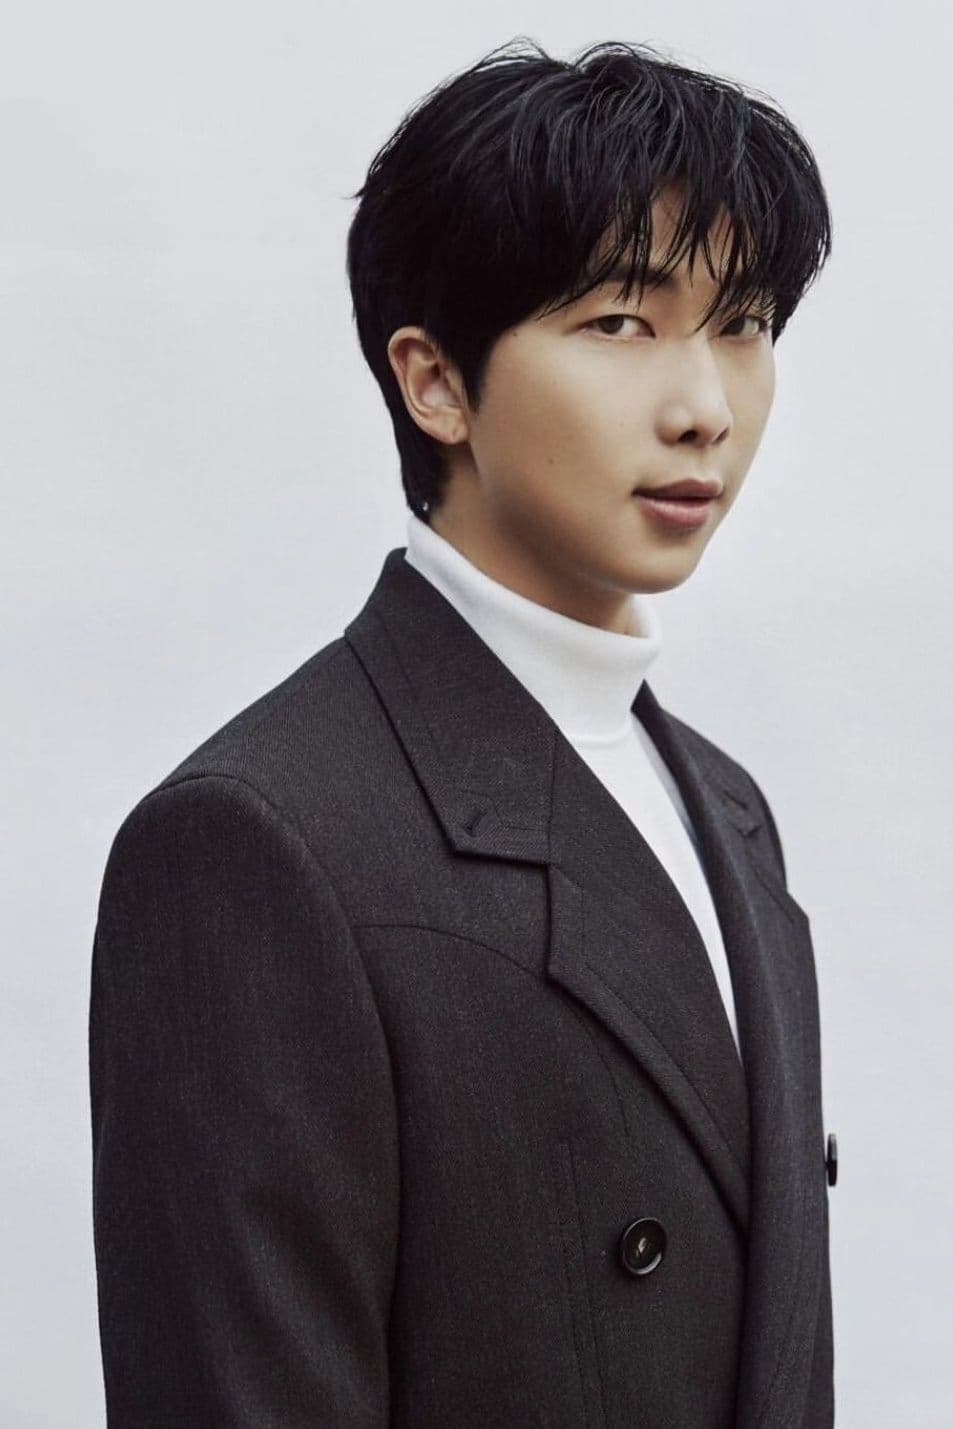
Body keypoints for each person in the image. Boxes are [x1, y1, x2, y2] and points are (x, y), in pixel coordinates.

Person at [89, 36, 837, 1427]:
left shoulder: (725, 808)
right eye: (621, 323)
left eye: (740, 323)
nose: (704, 408)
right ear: (435, 381)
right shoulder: (258, 841)